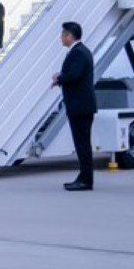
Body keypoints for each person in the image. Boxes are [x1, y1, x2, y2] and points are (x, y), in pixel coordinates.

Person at [51, 22, 97, 191]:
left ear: (69, 36)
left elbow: (74, 75)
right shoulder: (80, 51)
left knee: (82, 144)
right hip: (82, 105)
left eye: (63, 35)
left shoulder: (78, 53)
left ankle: (86, 180)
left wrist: (59, 78)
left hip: (80, 105)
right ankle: (84, 177)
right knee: (82, 143)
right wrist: (62, 78)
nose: (61, 38)